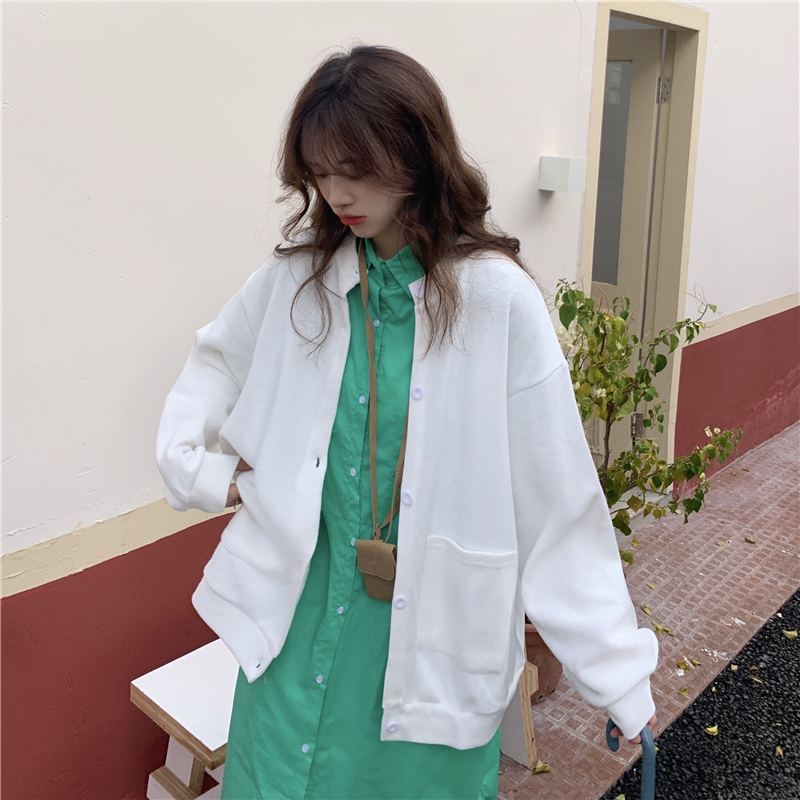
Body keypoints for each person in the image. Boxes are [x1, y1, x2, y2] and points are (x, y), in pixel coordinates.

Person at [156, 43, 658, 800]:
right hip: (294, 638)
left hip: (433, 659)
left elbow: (559, 501)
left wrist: (618, 676)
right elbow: (213, 365)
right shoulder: (299, 281)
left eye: (355, 169)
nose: (337, 193)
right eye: (320, 173)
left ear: (416, 153)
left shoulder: (497, 303)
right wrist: (204, 473)